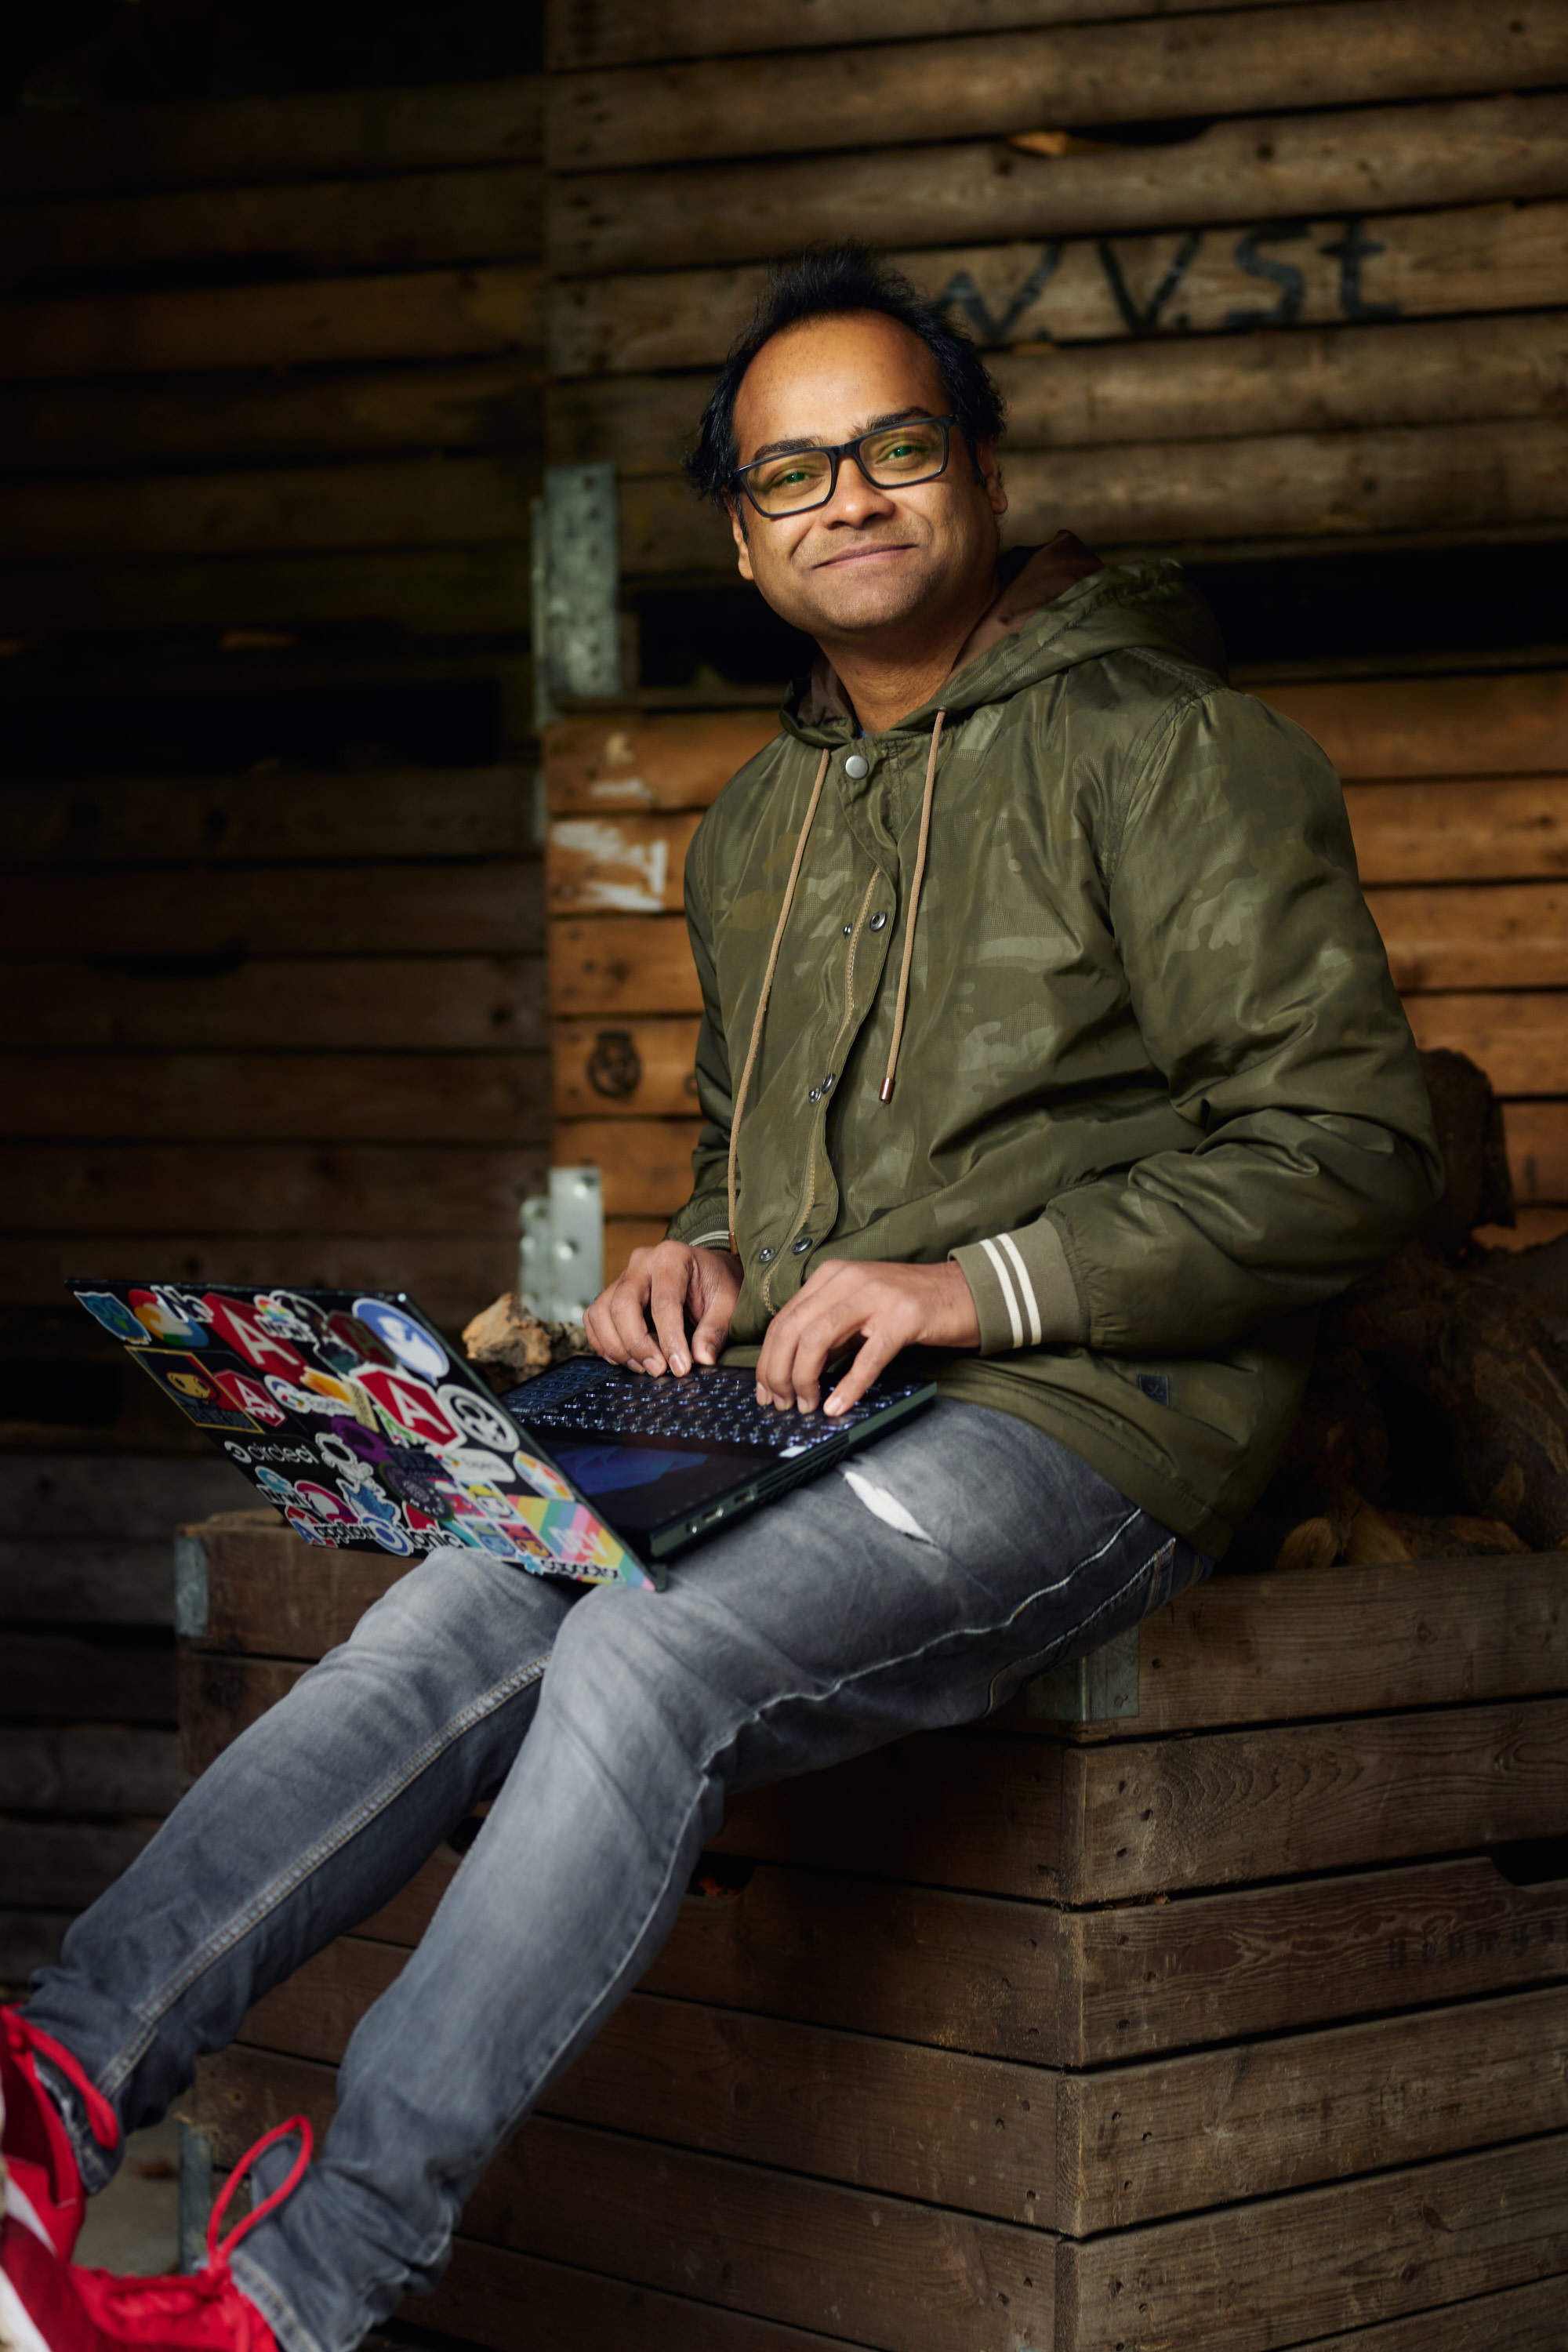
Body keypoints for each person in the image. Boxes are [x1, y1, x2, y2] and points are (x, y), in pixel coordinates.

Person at [1, 243, 1441, 2352]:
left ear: (977, 471)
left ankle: (293, 2297)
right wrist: (705, 1258)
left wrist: (978, 1287)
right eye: (790, 476)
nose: (847, 497)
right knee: (462, 1601)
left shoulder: (1175, 749)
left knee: (638, 1668)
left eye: (893, 447)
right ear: (748, 546)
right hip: (795, 1402)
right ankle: (47, 2096)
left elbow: (1359, 1147)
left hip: (1093, 1424)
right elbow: (761, 1166)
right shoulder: (760, 824)